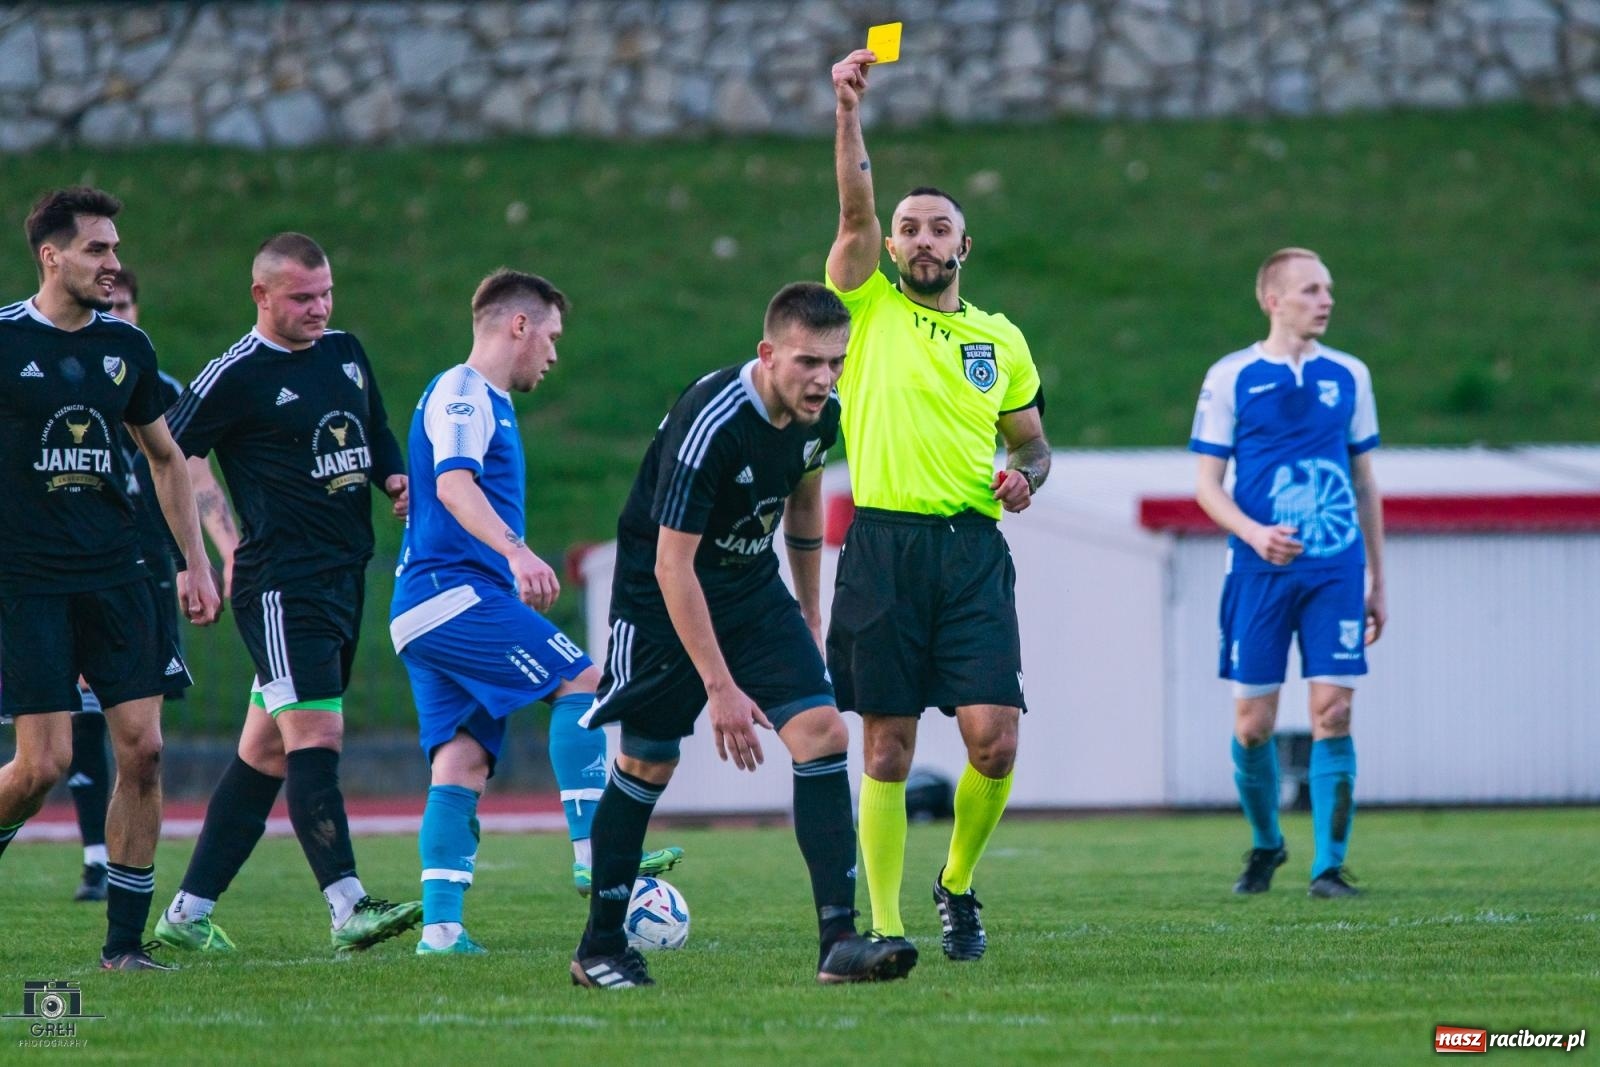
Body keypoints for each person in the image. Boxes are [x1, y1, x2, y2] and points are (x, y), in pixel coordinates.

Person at [570, 282, 913, 990]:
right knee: (647, 763)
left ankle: (838, 941)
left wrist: (810, 614)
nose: (824, 378)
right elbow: (672, 563)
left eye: (836, 361)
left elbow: (807, 500)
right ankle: (599, 947)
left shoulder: (823, 417)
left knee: (823, 732)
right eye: (808, 362)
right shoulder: (715, 421)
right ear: (768, 354)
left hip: (752, 588)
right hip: (662, 595)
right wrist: (721, 687)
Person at [823, 51, 1051, 964]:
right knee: (884, 747)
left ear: (965, 247)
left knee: (993, 740)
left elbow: (1032, 441)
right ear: (888, 247)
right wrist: (847, 111)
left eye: (938, 228)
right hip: (882, 542)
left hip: (971, 549)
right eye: (908, 226)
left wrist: (1029, 476)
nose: (920, 238)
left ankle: (956, 883)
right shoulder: (866, 305)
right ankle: (884, 923)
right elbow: (852, 205)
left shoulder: (1000, 338)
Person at [390, 269, 681, 955]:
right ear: (517, 325)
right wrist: (518, 553)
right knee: (582, 682)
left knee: (460, 762)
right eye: (550, 336)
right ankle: (592, 851)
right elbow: (455, 486)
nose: (553, 353)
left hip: (425, 607)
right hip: (452, 595)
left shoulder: (475, 399)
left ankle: (441, 928)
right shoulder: (466, 392)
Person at [153, 232, 421, 954]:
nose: (320, 307)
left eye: (326, 292)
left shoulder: (346, 352)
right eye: (303, 297)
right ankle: (347, 905)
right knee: (316, 737)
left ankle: (185, 913)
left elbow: (376, 432)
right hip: (278, 585)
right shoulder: (234, 374)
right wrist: (205, 552)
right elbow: (169, 454)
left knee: (266, 753)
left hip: (342, 576)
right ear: (261, 295)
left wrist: (392, 476)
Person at [0, 186, 221, 970]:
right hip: (29, 581)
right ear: (50, 255)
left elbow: (166, 457)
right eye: (97, 248)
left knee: (145, 750)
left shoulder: (127, 348)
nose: (114, 263)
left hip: (120, 575)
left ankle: (124, 944)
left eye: (116, 248)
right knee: (43, 765)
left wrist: (196, 561)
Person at [1189, 247, 1386, 899]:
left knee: (1333, 711)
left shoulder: (1350, 376)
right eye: (1310, 289)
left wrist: (1377, 579)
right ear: (1272, 299)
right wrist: (1254, 533)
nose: (1325, 300)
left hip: (1336, 566)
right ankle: (1267, 842)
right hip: (1257, 569)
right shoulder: (1231, 376)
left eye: (1328, 288)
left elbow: (1364, 482)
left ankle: (1328, 866)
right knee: (1253, 724)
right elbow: (1206, 486)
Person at [65, 269, 239, 905]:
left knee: (142, 744)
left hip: (145, 583)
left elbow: (191, 472)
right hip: (65, 580)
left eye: (126, 300)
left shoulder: (159, 387)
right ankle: (90, 857)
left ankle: (123, 911)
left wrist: (219, 552)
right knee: (52, 750)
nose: (117, 307)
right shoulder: (55, 372)